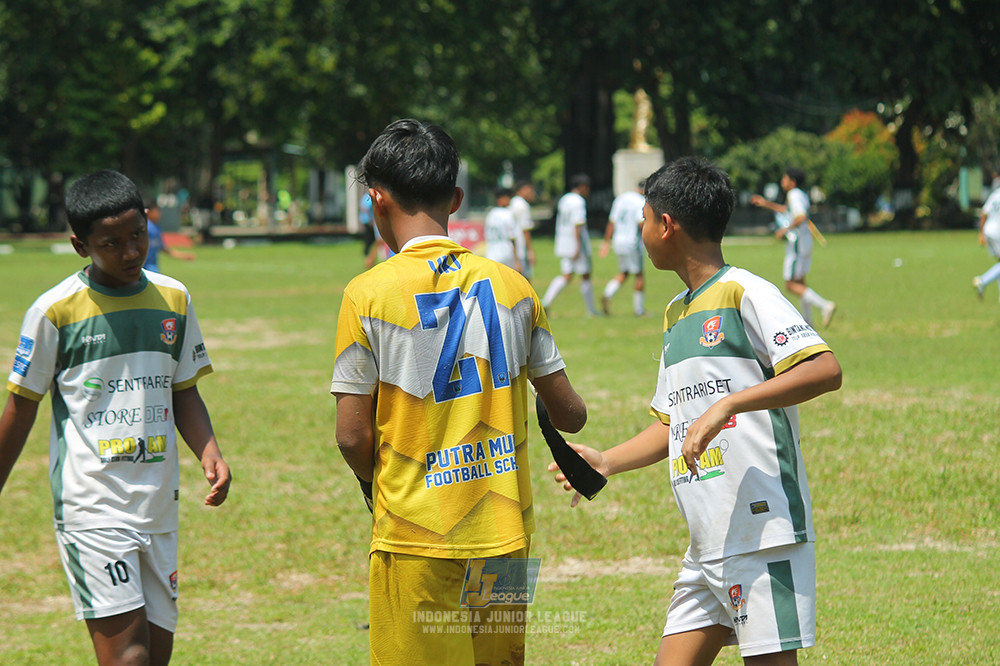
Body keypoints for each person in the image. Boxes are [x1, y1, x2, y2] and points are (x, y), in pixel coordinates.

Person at [550, 157, 842, 665]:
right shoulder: (675, 313)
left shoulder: (745, 291)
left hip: (760, 533)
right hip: (708, 538)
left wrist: (729, 403)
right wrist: (607, 462)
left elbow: (824, 368)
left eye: (643, 219)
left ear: (667, 225)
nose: (639, 231)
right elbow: (673, 422)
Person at [331, 119, 586, 665]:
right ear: (457, 197)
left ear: (376, 199)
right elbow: (571, 415)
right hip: (502, 530)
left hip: (413, 530)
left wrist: (371, 483)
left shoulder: (366, 294)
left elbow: (352, 437)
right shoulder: (514, 285)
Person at [0, 170, 231, 665]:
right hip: (93, 506)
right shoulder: (54, 312)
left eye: (137, 236)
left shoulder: (173, 298)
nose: (131, 252)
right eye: (112, 243)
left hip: (156, 503)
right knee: (129, 658)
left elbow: (183, 387)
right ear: (80, 246)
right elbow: (21, 406)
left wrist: (209, 451)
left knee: (157, 653)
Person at [750, 169, 836, 327]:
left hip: (797, 242)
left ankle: (825, 306)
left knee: (790, 284)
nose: (782, 181)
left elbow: (800, 216)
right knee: (800, 282)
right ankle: (808, 321)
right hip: (805, 241)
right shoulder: (800, 195)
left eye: (785, 178)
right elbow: (787, 211)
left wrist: (785, 229)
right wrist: (765, 203)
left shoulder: (793, 195)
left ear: (792, 181)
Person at [541, 174, 599, 316]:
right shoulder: (578, 201)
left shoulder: (564, 199)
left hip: (563, 241)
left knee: (567, 274)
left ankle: (545, 302)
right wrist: (578, 246)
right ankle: (590, 310)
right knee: (584, 274)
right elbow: (577, 224)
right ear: (583, 187)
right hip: (576, 243)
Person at [599, 180, 647, 316]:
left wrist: (606, 242)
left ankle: (607, 294)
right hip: (632, 242)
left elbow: (612, 222)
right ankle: (639, 310)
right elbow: (641, 223)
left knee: (624, 272)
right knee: (639, 275)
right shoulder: (640, 201)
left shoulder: (620, 199)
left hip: (618, 241)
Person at [144, 202, 195, 273]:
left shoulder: (157, 227)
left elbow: (163, 248)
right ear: (149, 212)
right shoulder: (146, 227)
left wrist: (183, 256)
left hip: (152, 268)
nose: (159, 213)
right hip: (145, 268)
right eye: (157, 210)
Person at [973, 171, 1000, 301]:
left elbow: (984, 213)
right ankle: (983, 280)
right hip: (998, 233)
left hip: (989, 230)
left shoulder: (995, 195)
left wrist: (981, 232)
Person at [483, 186, 522, 272]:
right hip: (506, 255)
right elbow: (512, 237)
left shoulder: (491, 214)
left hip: (491, 255)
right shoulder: (508, 214)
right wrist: (517, 261)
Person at [508, 180, 537, 280]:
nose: (532, 193)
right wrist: (530, 251)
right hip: (520, 247)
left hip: (511, 247)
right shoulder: (523, 205)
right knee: (525, 280)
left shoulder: (512, 202)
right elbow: (526, 229)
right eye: (529, 190)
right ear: (521, 190)